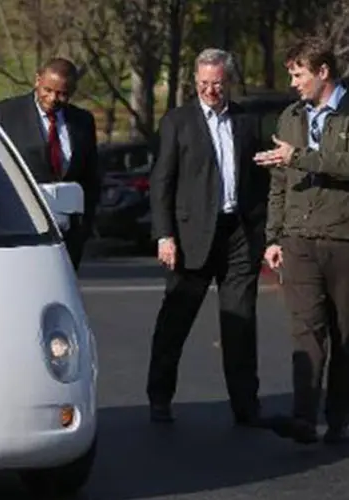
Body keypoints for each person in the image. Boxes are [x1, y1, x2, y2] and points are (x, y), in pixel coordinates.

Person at [146, 48, 271, 426]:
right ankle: (160, 397)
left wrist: (265, 231)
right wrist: (164, 235)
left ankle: (245, 404)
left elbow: (261, 178)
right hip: (190, 237)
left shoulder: (247, 122)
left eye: (217, 83)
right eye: (203, 83)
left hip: (238, 234)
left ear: (228, 81)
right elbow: (161, 182)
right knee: (175, 321)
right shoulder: (177, 122)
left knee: (240, 321)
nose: (210, 90)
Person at [254, 37, 349, 445]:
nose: (293, 83)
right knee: (305, 331)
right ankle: (303, 418)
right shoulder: (290, 117)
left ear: (323, 72)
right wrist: (274, 236)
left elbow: (344, 164)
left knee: (345, 334)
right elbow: (279, 183)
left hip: (343, 239)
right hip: (299, 240)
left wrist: (298, 157)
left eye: (299, 74)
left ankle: (339, 419)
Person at [0, 57, 100, 270]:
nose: (53, 98)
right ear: (37, 80)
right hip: (19, 228)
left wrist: (85, 225)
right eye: (48, 90)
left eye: (62, 94)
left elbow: (91, 176)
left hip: (67, 234)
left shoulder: (83, 121)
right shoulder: (5, 114)